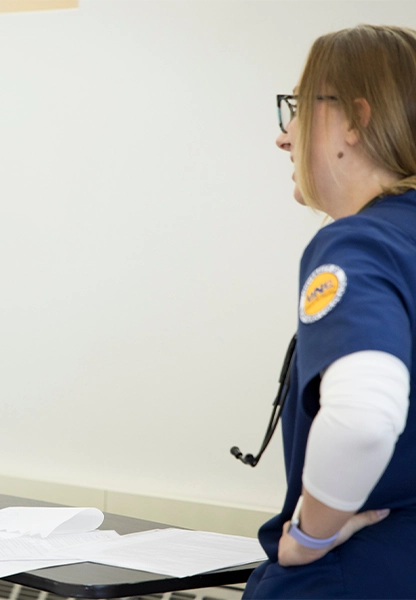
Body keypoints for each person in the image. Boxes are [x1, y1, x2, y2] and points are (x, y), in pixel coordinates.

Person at [243, 25, 416, 598]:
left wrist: (310, 538)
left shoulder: (360, 244)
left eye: (296, 107)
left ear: (355, 120)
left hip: (355, 576)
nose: (284, 138)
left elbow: (364, 417)